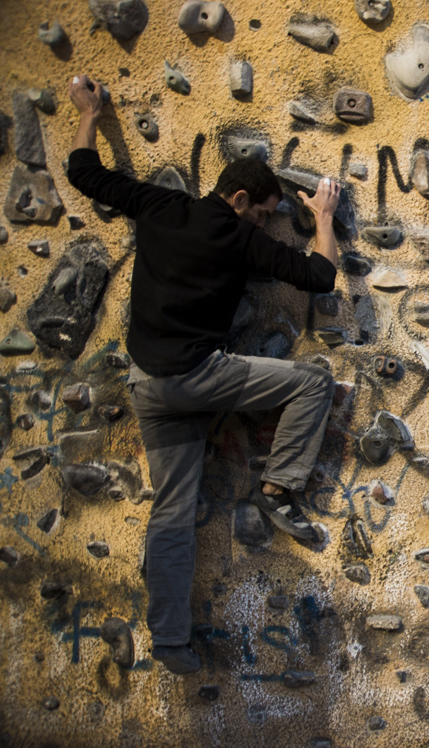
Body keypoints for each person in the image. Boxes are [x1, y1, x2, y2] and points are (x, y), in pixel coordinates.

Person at [66, 74, 341, 674]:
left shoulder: (160, 205)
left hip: (149, 386)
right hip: (198, 375)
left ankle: (169, 642)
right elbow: (320, 277)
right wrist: (323, 216)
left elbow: (83, 173)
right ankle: (277, 489)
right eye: (262, 215)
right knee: (313, 382)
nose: (263, 226)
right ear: (238, 200)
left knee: (171, 512)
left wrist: (88, 113)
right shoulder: (238, 237)